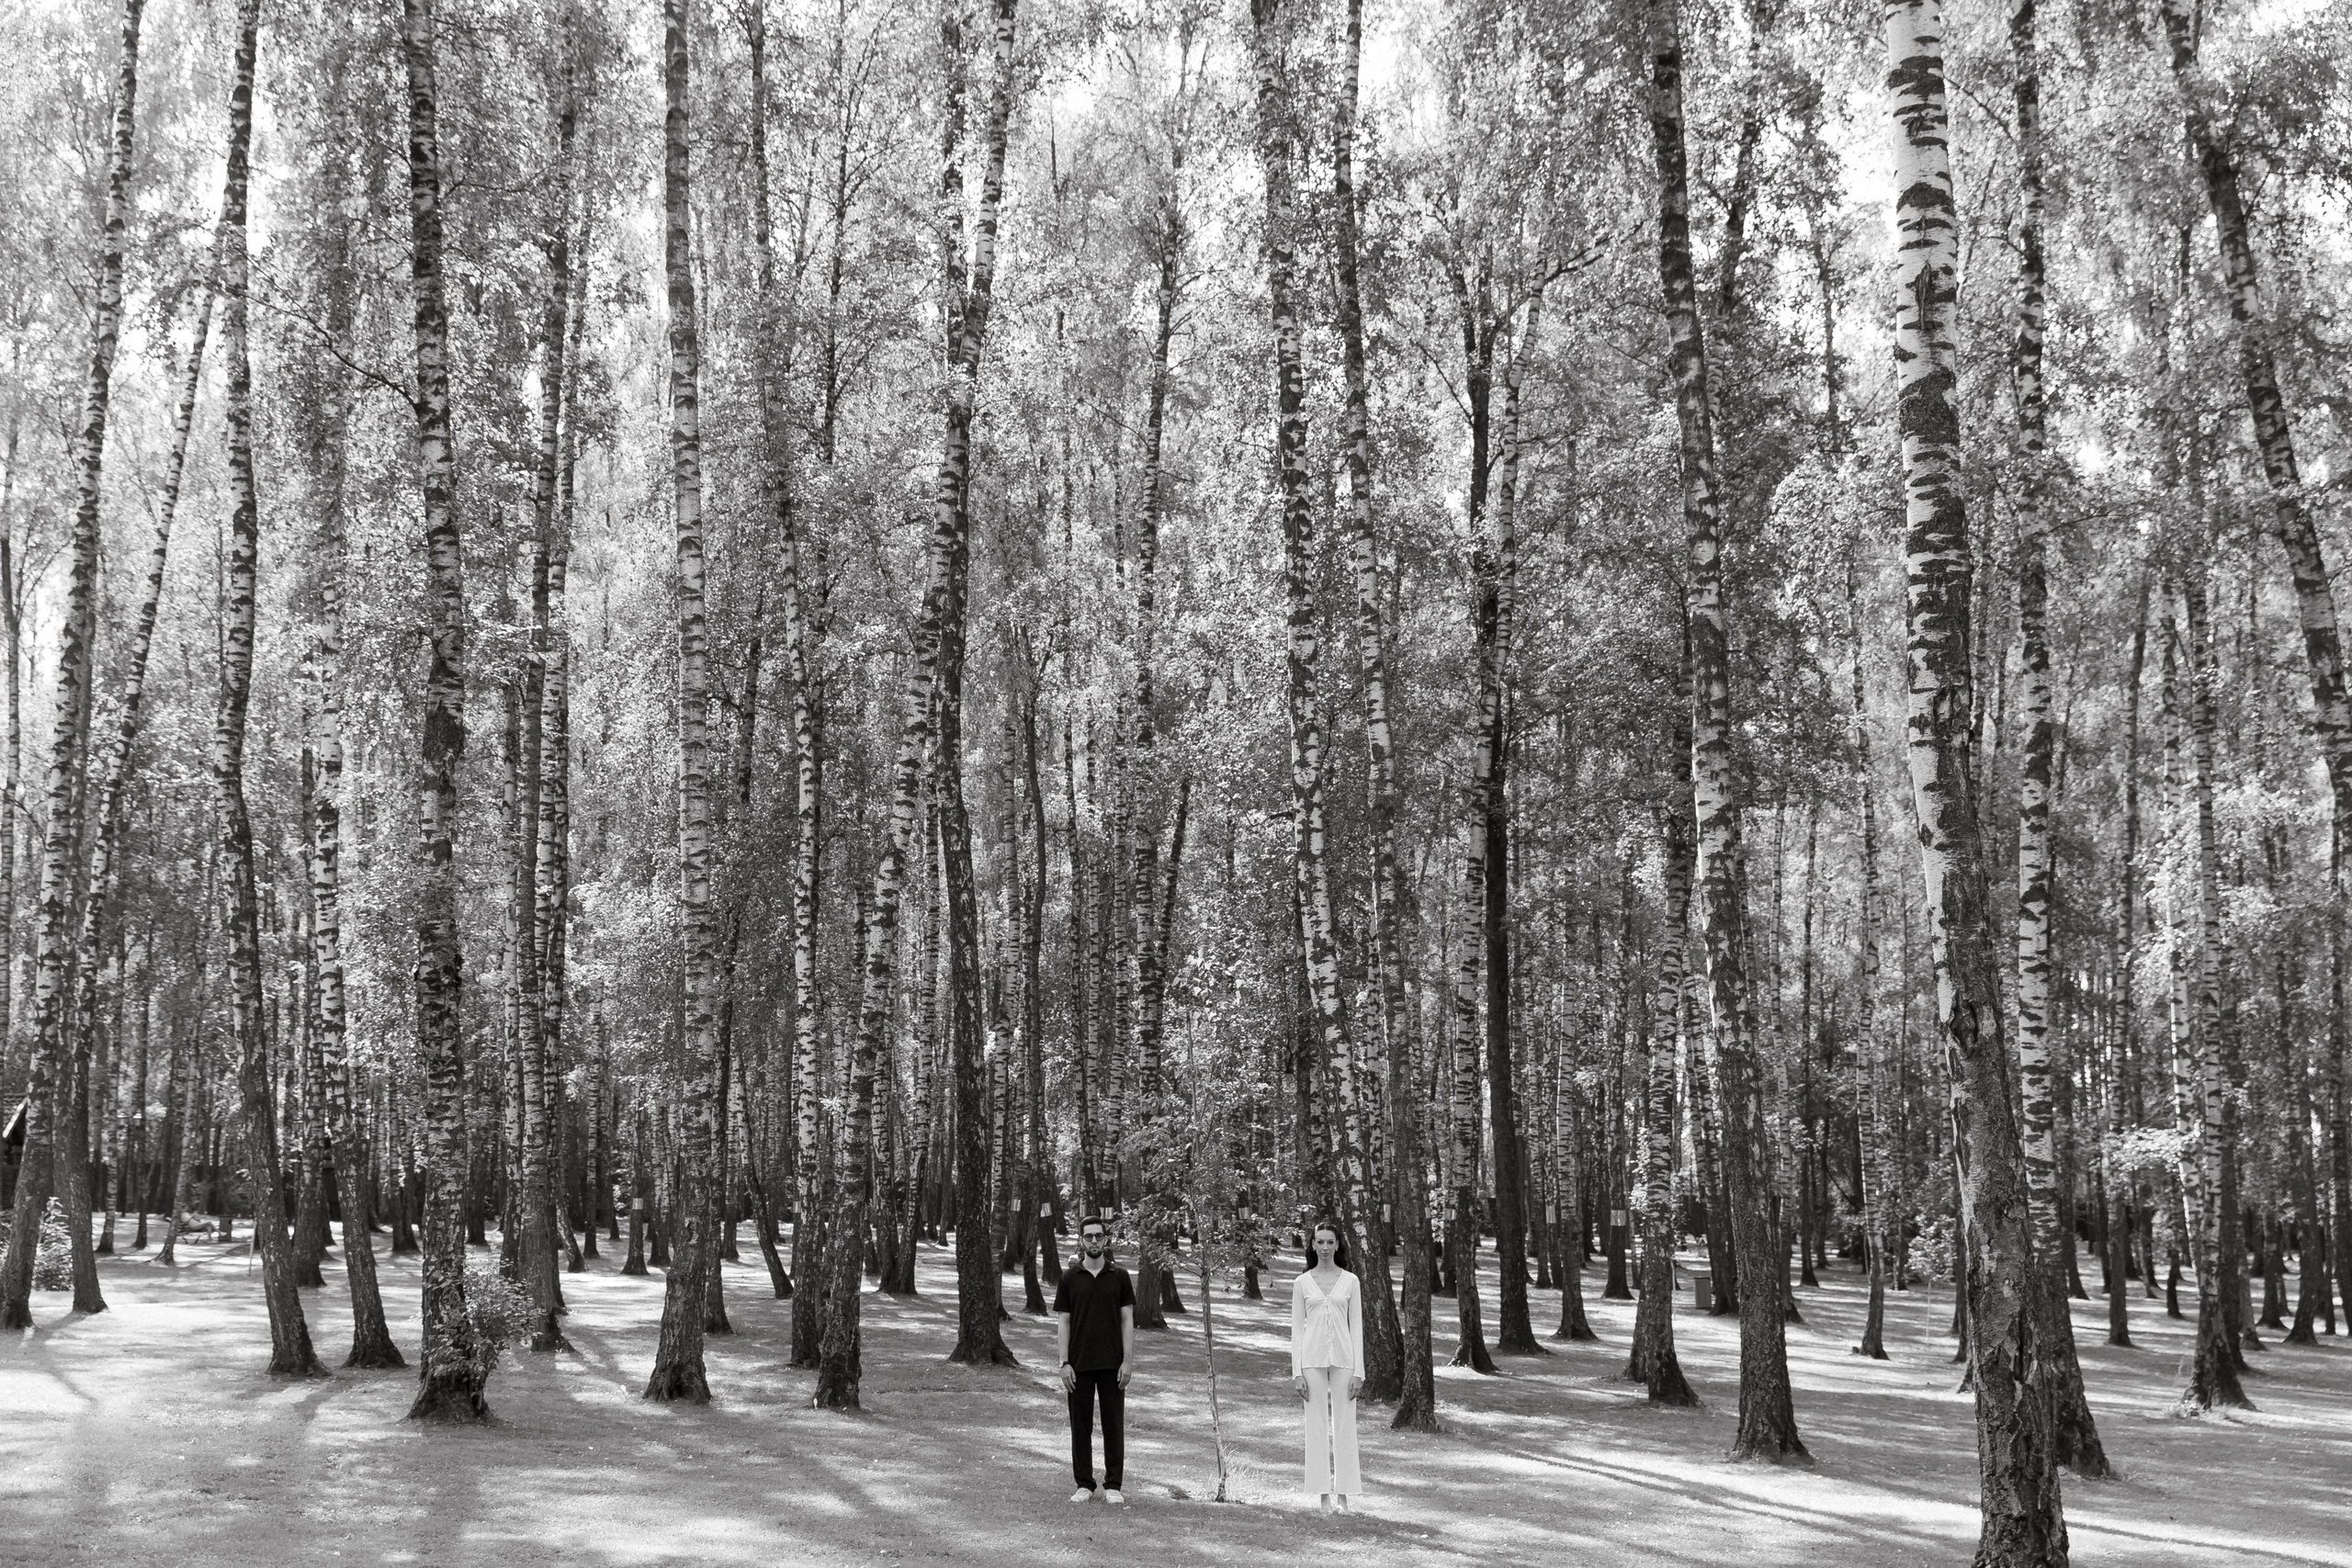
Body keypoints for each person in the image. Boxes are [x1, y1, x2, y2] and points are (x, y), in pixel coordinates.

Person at [1053, 1214, 1135, 1505]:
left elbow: (1127, 1320)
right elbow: (1064, 1322)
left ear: (1107, 1240)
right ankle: (1084, 1485)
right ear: (1081, 1240)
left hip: (1113, 1365)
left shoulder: (1120, 1277)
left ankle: (1113, 1485)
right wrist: (1064, 1363)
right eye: (1089, 1236)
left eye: (1099, 1236)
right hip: (1079, 1364)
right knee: (1080, 1426)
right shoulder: (1069, 1278)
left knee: (1114, 1425)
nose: (1094, 1241)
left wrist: (1127, 1361)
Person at [1289, 1219, 1363, 1512]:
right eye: (1320, 1242)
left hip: (1345, 1361)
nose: (1325, 1247)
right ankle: (1322, 1495)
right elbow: (1296, 1330)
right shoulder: (1302, 1283)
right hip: (1311, 1362)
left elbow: (1356, 1327)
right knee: (1316, 1426)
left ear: (1338, 1244)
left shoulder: (1351, 1281)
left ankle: (1344, 1494)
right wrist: (1297, 1373)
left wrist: (1360, 1372)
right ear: (1312, 1244)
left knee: (1345, 1426)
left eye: (1330, 1242)